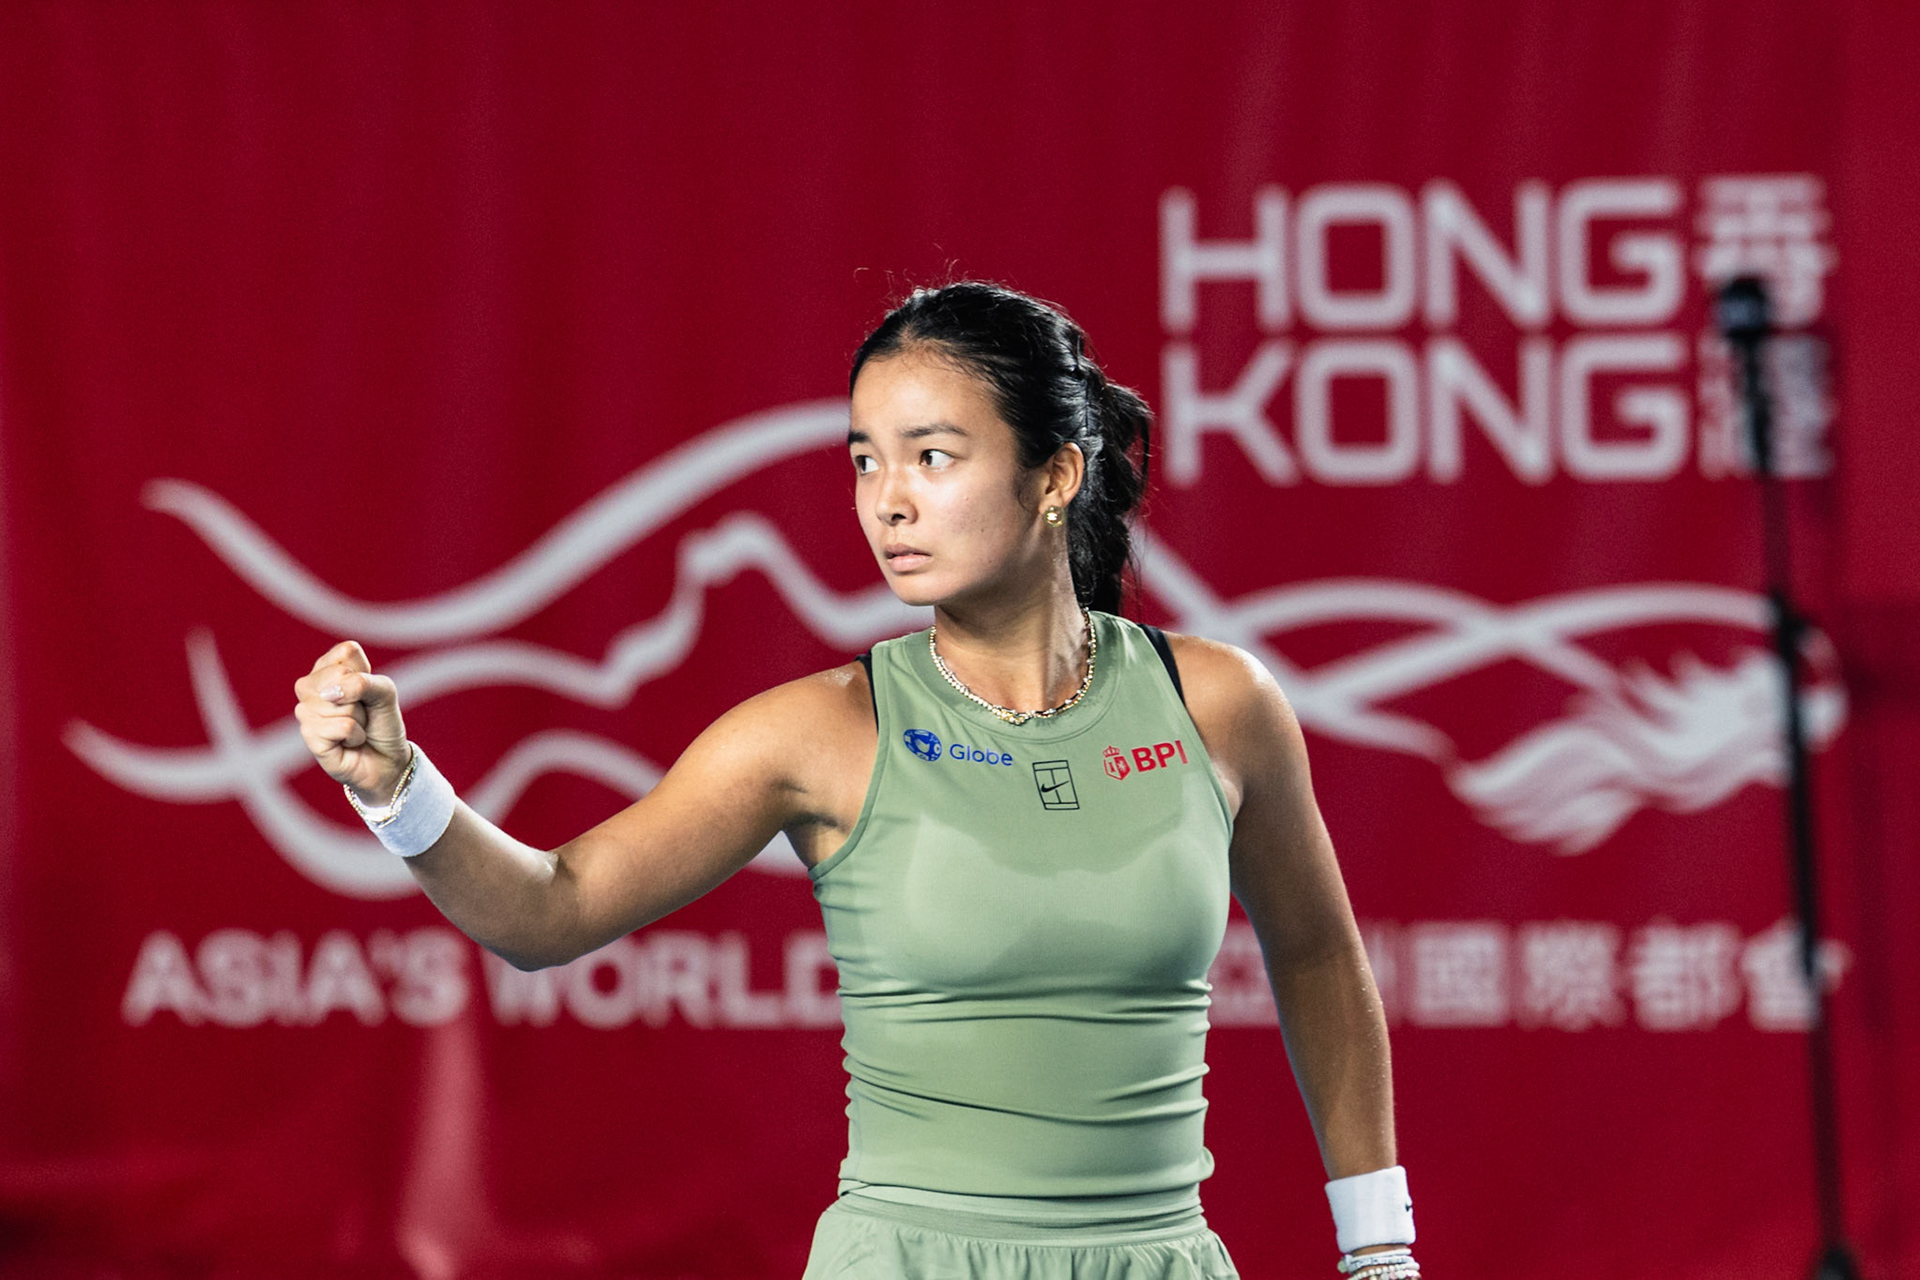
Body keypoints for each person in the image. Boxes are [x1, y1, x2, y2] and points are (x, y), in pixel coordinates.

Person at [293, 282, 1419, 1279]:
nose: (887, 499)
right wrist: (399, 789)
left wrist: (1380, 1248)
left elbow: (1318, 955)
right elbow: (549, 907)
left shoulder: (1221, 704)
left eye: (932, 456)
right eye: (865, 458)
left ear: (1055, 476)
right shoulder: (818, 732)